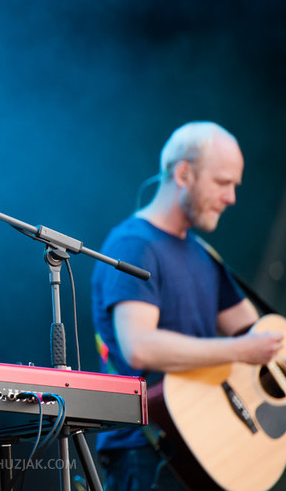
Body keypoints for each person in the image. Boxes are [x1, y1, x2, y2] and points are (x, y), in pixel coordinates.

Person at [91, 121, 283, 490]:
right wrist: (241, 350)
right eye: (223, 183)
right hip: (147, 451)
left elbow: (262, 334)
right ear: (183, 173)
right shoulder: (134, 245)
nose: (232, 198)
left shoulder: (202, 254)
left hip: (204, 447)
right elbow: (140, 347)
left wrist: (252, 346)